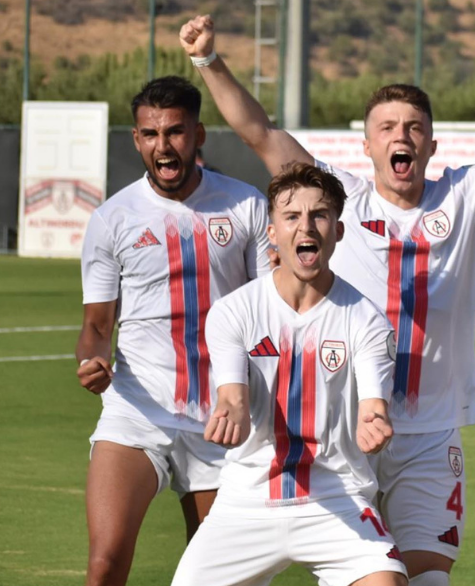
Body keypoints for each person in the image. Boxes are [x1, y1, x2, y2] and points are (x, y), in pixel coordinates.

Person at [179, 15, 475, 585]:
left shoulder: (466, 194)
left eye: (413, 127)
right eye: (387, 127)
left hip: (428, 433)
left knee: (426, 579)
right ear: (368, 145)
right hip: (342, 434)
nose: (400, 135)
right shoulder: (339, 200)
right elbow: (260, 132)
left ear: (430, 143)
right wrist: (207, 60)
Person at [76, 76, 271, 586]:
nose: (162, 145)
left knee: (215, 576)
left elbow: (270, 312)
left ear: (198, 135)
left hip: (222, 419)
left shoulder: (246, 206)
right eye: (150, 133)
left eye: (175, 132)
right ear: (137, 139)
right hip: (137, 410)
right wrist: (92, 360)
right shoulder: (113, 218)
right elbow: (97, 325)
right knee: (105, 563)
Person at [172, 163, 406, 586]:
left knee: (387, 582)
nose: (306, 227)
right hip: (247, 502)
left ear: (338, 230)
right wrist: (231, 414)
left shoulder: (366, 320)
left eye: (319, 215)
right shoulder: (234, 311)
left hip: (338, 496)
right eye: (292, 216)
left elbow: (374, 405)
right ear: (273, 232)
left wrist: (375, 421)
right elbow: (232, 397)